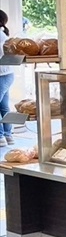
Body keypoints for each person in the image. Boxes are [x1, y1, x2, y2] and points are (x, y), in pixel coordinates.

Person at [0, 10, 15, 146]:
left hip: (1, 74)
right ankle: (8, 136)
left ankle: (0, 137)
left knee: (4, 107)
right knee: (4, 107)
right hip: (7, 74)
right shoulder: (3, 35)